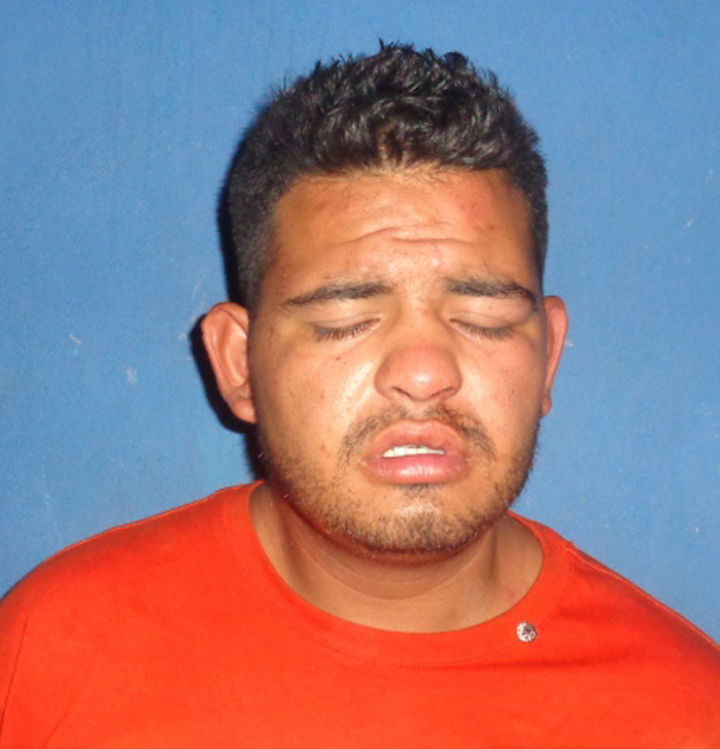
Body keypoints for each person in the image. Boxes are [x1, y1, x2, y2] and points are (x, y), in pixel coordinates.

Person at [1, 43, 719, 747]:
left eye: (484, 318)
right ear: (239, 364)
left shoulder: (685, 710)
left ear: (549, 357)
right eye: (345, 320)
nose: (424, 372)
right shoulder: (54, 651)